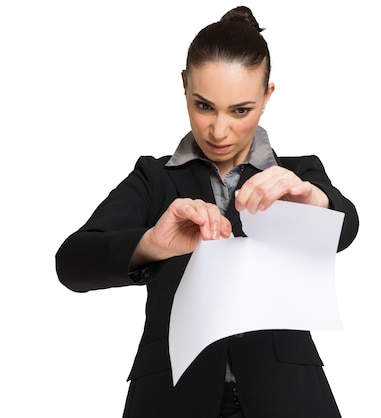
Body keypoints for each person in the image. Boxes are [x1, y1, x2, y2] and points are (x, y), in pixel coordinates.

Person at [56, 6, 359, 418]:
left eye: (240, 110)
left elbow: (347, 226)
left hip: (286, 397)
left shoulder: (296, 174)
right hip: (171, 397)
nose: (219, 131)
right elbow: (72, 263)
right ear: (184, 86)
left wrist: (315, 203)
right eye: (203, 106)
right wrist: (151, 243)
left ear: (267, 96)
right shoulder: (153, 178)